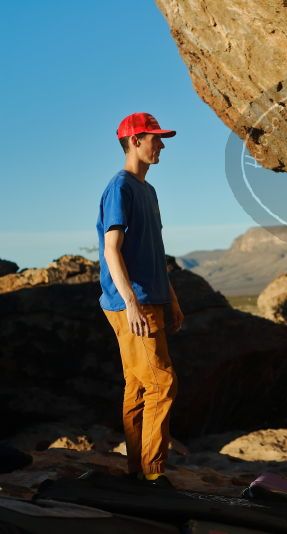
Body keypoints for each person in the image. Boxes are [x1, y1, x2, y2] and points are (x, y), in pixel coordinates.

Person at [96, 112, 182, 485]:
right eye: (155, 138)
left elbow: (153, 250)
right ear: (135, 141)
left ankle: (136, 471)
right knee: (162, 383)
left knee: (138, 385)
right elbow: (111, 249)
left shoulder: (148, 190)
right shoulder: (121, 188)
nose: (160, 144)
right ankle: (152, 474)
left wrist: (172, 299)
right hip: (133, 304)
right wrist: (130, 302)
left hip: (153, 299)